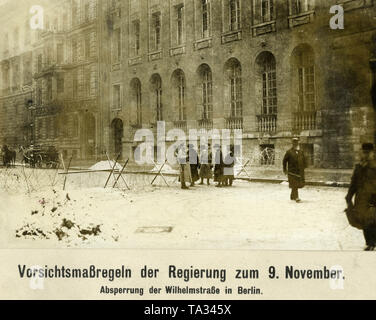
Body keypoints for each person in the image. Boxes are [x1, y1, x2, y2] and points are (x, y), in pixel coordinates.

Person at [345, 143, 376, 251]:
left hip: (373, 198)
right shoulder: (358, 167)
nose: (366, 155)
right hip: (361, 198)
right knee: (363, 220)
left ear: (372, 153)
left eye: (368, 152)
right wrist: (349, 196)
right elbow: (353, 183)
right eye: (364, 152)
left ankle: (372, 242)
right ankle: (369, 242)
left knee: (372, 220)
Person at [283, 137, 307, 202]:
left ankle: (292, 196)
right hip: (292, 172)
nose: (295, 144)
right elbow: (284, 161)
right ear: (292, 143)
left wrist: (304, 167)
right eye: (294, 142)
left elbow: (304, 160)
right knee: (295, 184)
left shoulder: (301, 152)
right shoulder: (289, 152)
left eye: (296, 142)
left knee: (297, 184)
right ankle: (296, 197)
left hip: (299, 172)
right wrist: (285, 170)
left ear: (298, 143)